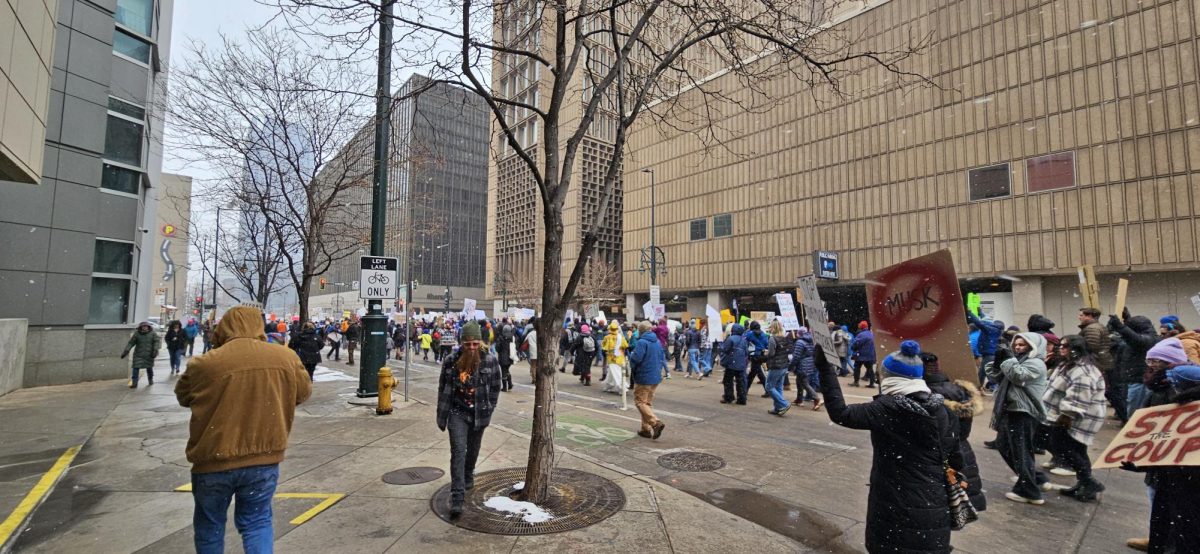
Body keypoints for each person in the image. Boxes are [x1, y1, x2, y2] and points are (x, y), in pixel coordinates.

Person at [175, 305, 312, 553]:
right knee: (257, 523)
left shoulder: (205, 364)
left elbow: (183, 396)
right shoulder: (284, 357)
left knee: (209, 526)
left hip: (213, 458)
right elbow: (302, 393)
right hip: (263, 456)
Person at [819, 341, 961, 554]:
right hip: (934, 503)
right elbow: (957, 457)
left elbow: (842, 413)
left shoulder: (888, 408)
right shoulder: (941, 408)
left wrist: (825, 369)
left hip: (896, 502)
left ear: (888, 376)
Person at [1120, 340, 1200, 552]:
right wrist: (1140, 462)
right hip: (1168, 475)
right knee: (1165, 523)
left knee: (1186, 530)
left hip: (1187, 479)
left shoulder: (1180, 395)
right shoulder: (1159, 392)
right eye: (1150, 360)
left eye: (1157, 361)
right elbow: (1155, 438)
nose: (1152, 365)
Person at [435, 321, 502, 518]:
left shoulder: (490, 360)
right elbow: (442, 389)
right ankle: (457, 496)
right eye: (467, 344)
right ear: (461, 343)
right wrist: (441, 415)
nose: (471, 347)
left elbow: (496, 387)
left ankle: (468, 473)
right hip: (457, 413)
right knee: (458, 452)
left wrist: (489, 408)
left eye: (475, 344)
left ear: (480, 343)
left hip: (479, 414)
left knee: (472, 451)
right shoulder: (450, 361)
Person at [986, 332, 1051, 505]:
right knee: (1004, 445)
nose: (1017, 347)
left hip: (1024, 413)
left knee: (1021, 451)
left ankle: (1029, 492)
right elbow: (995, 377)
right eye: (1016, 344)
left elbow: (1018, 376)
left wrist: (1007, 360)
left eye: (1022, 345)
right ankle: (1035, 479)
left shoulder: (1036, 363)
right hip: (1012, 410)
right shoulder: (1017, 360)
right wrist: (998, 360)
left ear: (1033, 347)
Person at [1042, 335, 1108, 503]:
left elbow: (1078, 397)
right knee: (1076, 449)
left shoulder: (1082, 371)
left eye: (1065, 346)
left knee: (1066, 447)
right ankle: (1085, 483)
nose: (1061, 348)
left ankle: (1088, 482)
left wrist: (1067, 415)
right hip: (1071, 415)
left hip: (1078, 417)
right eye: (1061, 345)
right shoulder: (1069, 365)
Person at [921, 352, 986, 512]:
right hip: (963, 449)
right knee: (962, 497)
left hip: (942, 456)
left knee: (942, 505)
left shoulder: (927, 395)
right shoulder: (957, 389)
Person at [1110, 313, 1158, 418]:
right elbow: (1133, 336)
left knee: (1135, 413)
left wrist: (1120, 326)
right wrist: (1126, 318)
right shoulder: (1144, 335)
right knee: (1132, 409)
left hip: (1139, 380)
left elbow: (1137, 339)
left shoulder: (1150, 339)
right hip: (1132, 378)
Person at [628, 321, 666, 439]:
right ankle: (645, 429)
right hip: (655, 376)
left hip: (644, 376)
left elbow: (636, 358)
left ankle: (655, 423)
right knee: (647, 403)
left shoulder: (642, 342)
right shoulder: (658, 342)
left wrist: (631, 361)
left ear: (641, 330)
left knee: (640, 402)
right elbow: (662, 358)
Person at [967, 311, 1004, 392]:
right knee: (983, 373)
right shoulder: (995, 330)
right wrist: (980, 312)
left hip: (989, 355)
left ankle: (995, 389)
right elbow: (984, 320)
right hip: (989, 355)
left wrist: (968, 312)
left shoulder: (990, 330)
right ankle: (978, 389)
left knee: (987, 374)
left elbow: (978, 323)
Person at [764, 320, 793, 416]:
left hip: (776, 366)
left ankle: (784, 404)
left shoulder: (772, 339)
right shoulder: (784, 338)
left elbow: (772, 353)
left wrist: (766, 352)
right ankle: (778, 408)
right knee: (778, 387)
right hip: (784, 365)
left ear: (773, 328)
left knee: (769, 386)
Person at [790, 327, 822, 410]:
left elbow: (796, 356)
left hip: (802, 365)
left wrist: (791, 366)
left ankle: (816, 399)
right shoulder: (810, 340)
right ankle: (799, 399)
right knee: (799, 382)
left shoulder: (800, 342)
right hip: (809, 364)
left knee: (804, 383)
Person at [121, 321, 161, 388]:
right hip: (138, 354)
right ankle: (134, 383)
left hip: (149, 354)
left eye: (146, 326)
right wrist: (126, 351)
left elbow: (156, 342)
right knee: (135, 368)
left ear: (148, 327)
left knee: (149, 368)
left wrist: (155, 350)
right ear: (140, 327)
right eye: (143, 326)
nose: (144, 327)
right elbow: (131, 343)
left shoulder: (153, 333)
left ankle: (150, 379)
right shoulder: (137, 334)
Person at [718, 323, 749, 405]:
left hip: (731, 363)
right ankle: (742, 399)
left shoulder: (730, 339)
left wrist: (720, 345)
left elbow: (725, 349)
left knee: (728, 381)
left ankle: (729, 397)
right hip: (741, 364)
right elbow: (746, 352)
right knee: (740, 382)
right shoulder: (744, 340)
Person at [601, 322, 629, 393]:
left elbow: (604, 347)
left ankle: (622, 388)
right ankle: (609, 385)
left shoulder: (607, 337)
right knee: (613, 372)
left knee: (616, 373)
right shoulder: (621, 337)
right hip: (620, 356)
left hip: (611, 357)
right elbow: (625, 345)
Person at [745, 321, 770, 395]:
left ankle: (745, 389)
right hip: (762, 356)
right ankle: (745, 389)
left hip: (754, 355)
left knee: (755, 373)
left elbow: (745, 341)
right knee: (755, 372)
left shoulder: (750, 334)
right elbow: (766, 345)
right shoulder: (764, 334)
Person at [850, 321, 877, 388]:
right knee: (870, 369)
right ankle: (872, 383)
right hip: (870, 355)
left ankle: (856, 382)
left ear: (861, 327)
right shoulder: (871, 334)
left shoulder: (861, 335)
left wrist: (853, 348)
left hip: (861, 354)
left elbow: (856, 344)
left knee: (857, 367)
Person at [494, 321, 514, 391]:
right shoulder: (512, 338)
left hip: (503, 358)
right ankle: (510, 384)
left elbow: (497, 348)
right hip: (510, 357)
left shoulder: (500, 338)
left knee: (503, 372)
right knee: (507, 370)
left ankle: (505, 387)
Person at [522, 317, 539, 384]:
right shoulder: (540, 334)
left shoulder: (530, 334)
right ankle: (537, 378)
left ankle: (533, 378)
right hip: (539, 351)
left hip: (532, 351)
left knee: (533, 365)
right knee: (538, 365)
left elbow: (524, 341)